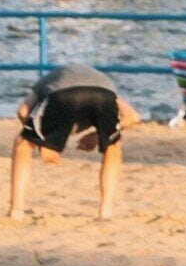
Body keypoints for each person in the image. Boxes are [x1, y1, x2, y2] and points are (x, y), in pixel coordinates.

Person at [9, 61, 126, 220]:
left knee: (22, 144)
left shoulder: (49, 79)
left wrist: (41, 141)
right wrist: (101, 135)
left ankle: (17, 209)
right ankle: (106, 211)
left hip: (63, 95)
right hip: (104, 95)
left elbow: (22, 111)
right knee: (113, 146)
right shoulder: (101, 80)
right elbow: (134, 117)